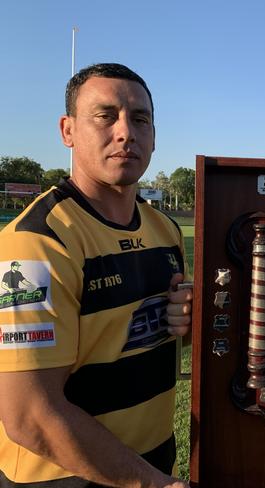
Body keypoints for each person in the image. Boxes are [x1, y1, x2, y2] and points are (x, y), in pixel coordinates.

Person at [0, 63, 192, 487]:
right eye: (105, 116)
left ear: (155, 137)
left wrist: (186, 322)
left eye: (140, 119)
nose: (126, 132)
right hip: (65, 477)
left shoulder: (166, 230)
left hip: (154, 462)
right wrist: (150, 484)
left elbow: (136, 335)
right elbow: (30, 416)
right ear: (68, 131)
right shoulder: (37, 241)